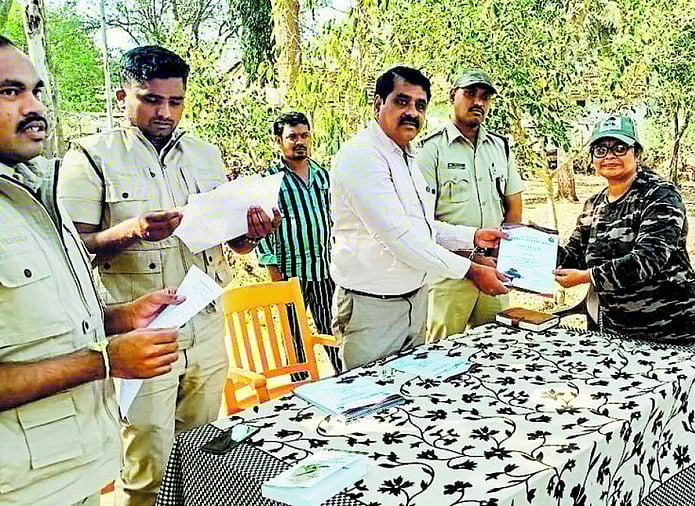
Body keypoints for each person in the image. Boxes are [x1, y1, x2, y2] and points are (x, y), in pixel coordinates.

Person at [57, 46, 280, 506]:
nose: (165, 112)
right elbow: (71, 253)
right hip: (143, 333)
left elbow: (231, 242)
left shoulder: (205, 155)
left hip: (207, 323)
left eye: (175, 102)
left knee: (202, 456)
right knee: (149, 464)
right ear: (123, 96)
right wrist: (130, 230)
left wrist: (253, 233)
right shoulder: (90, 158)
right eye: (151, 100)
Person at [0, 35, 183, 506]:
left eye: (36, 91)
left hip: (75, 466)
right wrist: (104, 360)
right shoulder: (87, 161)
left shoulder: (33, 195)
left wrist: (121, 317)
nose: (34, 106)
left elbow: (42, 322)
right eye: (9, 91)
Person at [330, 65, 509, 370]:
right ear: (378, 104)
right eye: (402, 101)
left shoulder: (407, 155)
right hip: (373, 308)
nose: (412, 112)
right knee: (373, 403)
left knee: (410, 400)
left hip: (415, 301)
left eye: (420, 105)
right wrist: (472, 270)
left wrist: (472, 237)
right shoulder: (361, 156)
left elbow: (422, 228)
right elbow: (400, 239)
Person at [554, 114, 695, 348]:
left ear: (636, 154)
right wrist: (531, 243)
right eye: (601, 149)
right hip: (613, 330)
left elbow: (648, 259)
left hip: (669, 330)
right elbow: (572, 258)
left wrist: (589, 277)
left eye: (619, 148)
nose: (609, 156)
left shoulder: (660, 195)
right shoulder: (593, 206)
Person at [418, 69, 525, 342]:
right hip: (449, 273)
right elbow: (422, 222)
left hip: (494, 268)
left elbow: (513, 204)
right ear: (452, 96)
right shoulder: (430, 149)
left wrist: (507, 254)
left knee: (500, 348)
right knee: (441, 355)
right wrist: (467, 257)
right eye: (470, 94)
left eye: (485, 97)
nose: (478, 102)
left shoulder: (500, 147)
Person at [256, 112, 342, 373]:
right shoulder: (270, 182)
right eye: (292, 136)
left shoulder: (323, 176)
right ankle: (300, 388)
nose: (299, 141)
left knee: (334, 332)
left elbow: (336, 218)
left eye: (304, 135)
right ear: (278, 141)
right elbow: (260, 230)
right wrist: (272, 268)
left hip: (324, 268)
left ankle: (346, 382)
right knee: (295, 337)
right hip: (289, 273)